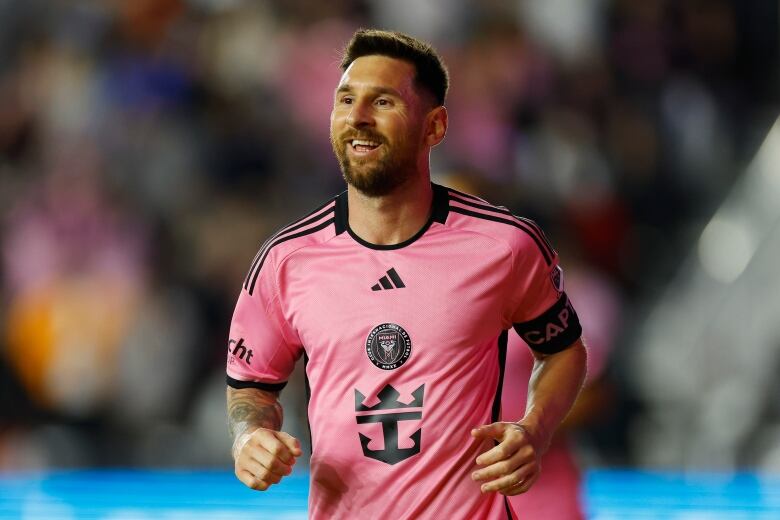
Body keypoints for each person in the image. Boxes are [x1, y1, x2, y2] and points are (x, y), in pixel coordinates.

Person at [226, 29, 587, 519]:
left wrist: (535, 429)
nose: (358, 117)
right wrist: (250, 436)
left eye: (384, 102)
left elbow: (563, 350)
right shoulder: (286, 261)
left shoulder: (504, 246)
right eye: (346, 99)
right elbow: (251, 383)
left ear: (434, 126)